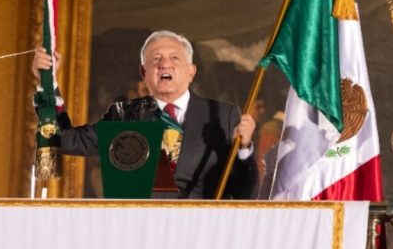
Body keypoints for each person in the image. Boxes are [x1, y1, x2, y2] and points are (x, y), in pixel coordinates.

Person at [31, 30, 257, 199]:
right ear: (144, 73)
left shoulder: (223, 115)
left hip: (199, 234)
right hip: (138, 234)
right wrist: (47, 84)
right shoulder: (124, 114)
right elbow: (63, 139)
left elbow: (244, 191)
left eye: (175, 58)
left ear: (191, 72)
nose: (165, 64)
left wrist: (244, 149)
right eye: (156, 59)